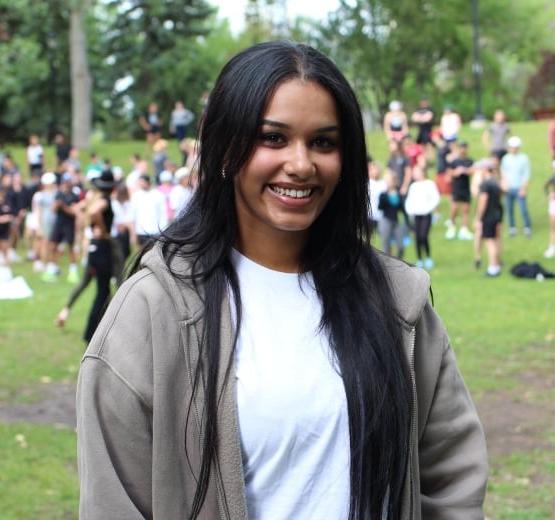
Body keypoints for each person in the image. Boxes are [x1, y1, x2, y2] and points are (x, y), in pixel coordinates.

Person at [76, 41, 487, 520]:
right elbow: (113, 501)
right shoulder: (152, 312)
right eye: (273, 138)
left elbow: (450, 475)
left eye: (324, 142)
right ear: (226, 147)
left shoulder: (396, 301)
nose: (301, 163)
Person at [56, 169, 122, 341]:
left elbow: (88, 211)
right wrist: (106, 231)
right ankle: (92, 333)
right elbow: (94, 213)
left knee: (90, 284)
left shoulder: (95, 198)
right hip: (102, 249)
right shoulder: (105, 200)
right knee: (103, 293)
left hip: (95, 247)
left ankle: (69, 313)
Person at [404, 161, 440, 269]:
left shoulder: (429, 184)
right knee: (417, 237)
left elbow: (435, 198)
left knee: (423, 236)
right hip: (416, 215)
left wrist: (427, 209)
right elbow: (409, 200)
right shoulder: (413, 186)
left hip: (426, 215)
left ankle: (428, 257)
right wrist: (410, 210)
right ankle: (419, 258)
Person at [472, 158, 503, 277]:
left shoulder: (485, 184)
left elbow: (482, 202)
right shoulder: (495, 182)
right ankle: (496, 264)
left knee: (489, 242)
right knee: (495, 241)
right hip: (496, 214)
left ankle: (493, 268)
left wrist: (478, 218)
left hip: (488, 216)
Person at [500, 136, 532, 237]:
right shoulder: (506, 159)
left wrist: (523, 188)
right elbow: (504, 172)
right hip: (509, 188)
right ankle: (512, 228)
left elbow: (526, 174)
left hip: (519, 187)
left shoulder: (524, 158)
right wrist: (504, 184)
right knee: (509, 209)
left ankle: (527, 227)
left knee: (523, 209)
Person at [445, 141, 475, 241]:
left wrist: (465, 171)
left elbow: (473, 170)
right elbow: (449, 173)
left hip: (466, 187)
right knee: (455, 208)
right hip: (457, 187)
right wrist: (456, 172)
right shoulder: (455, 162)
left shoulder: (469, 161)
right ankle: (452, 227)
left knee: (466, 209)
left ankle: (464, 229)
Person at [377, 170, 407, 258]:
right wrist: (384, 198)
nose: (387, 183)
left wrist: (408, 223)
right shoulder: (383, 195)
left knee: (401, 246)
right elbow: (380, 207)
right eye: (386, 181)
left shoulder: (399, 194)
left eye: (389, 181)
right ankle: (388, 266)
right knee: (386, 246)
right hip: (385, 220)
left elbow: (403, 210)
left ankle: (399, 262)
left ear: (394, 181)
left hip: (396, 221)